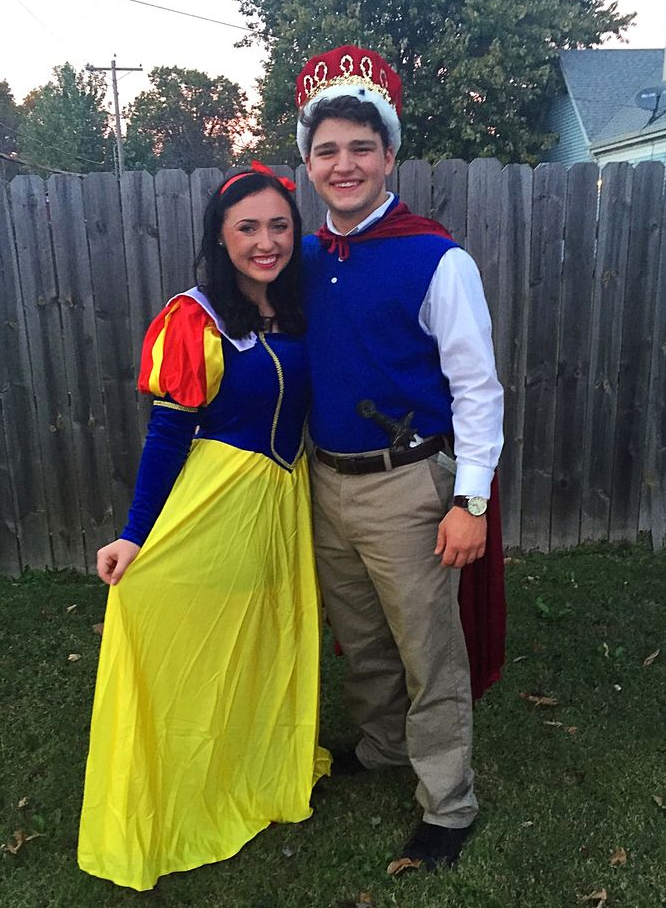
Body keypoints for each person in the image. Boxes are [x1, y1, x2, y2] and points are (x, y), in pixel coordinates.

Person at [77, 164, 330, 891]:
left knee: (262, 641)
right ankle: (186, 790)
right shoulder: (195, 317)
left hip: (282, 503)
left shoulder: (299, 305)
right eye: (247, 226)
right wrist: (133, 534)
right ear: (220, 237)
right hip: (218, 506)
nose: (266, 240)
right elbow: (166, 437)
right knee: (204, 649)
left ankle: (256, 765)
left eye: (279, 224)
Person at [295, 45, 506, 874]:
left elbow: (479, 388)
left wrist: (472, 501)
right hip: (324, 479)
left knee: (427, 647)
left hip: (409, 484)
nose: (343, 165)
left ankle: (448, 800)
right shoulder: (302, 257)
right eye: (327, 150)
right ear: (308, 162)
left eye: (360, 147)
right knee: (362, 637)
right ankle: (383, 747)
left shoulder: (437, 257)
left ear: (388, 155)